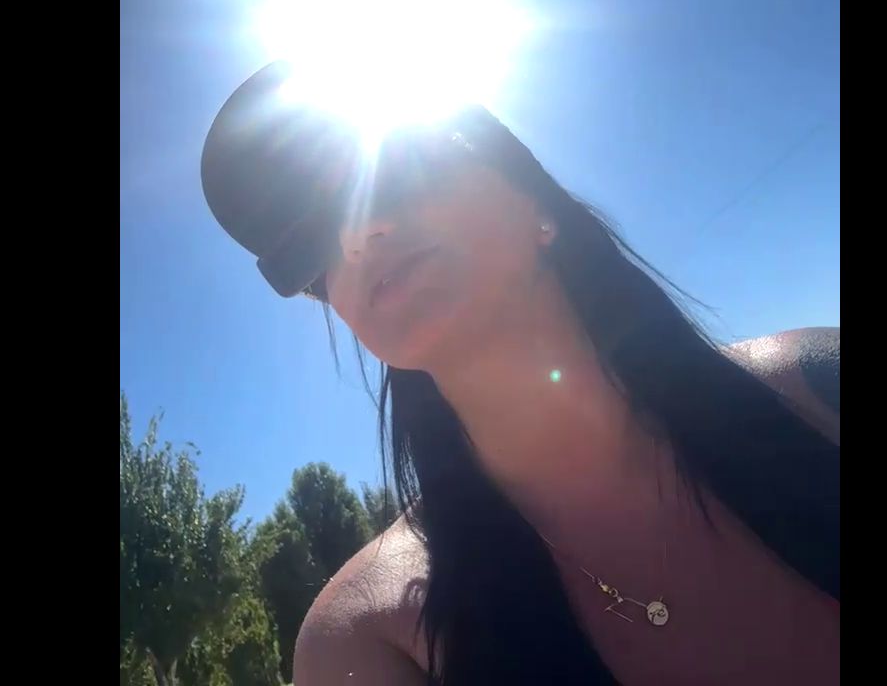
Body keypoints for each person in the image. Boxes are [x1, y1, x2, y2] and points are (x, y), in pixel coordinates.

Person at [201, 61, 840, 686]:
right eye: (313, 241)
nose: (357, 236)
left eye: (397, 167)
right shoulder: (363, 640)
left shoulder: (817, 390)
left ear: (533, 198)